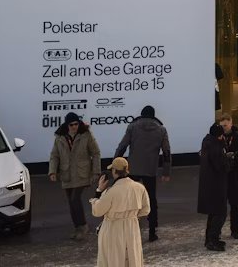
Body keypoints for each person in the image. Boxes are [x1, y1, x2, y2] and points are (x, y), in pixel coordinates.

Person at [113, 105, 171, 241]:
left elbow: (122, 146)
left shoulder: (133, 127)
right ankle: (152, 231)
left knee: (129, 198)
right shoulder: (161, 130)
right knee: (151, 199)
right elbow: (167, 152)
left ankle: (128, 227)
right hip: (150, 169)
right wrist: (166, 172)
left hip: (133, 168)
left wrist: (116, 164)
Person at [49, 112, 102, 240]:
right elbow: (55, 155)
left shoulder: (86, 135)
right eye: (72, 125)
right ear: (67, 125)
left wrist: (96, 172)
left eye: (76, 124)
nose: (74, 127)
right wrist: (52, 171)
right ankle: (77, 227)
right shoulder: (60, 137)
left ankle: (83, 226)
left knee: (75, 199)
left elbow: (95, 153)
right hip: (67, 173)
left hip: (81, 173)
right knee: (71, 202)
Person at [91, 157, 150, 267]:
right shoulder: (139, 188)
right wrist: (132, 215)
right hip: (132, 227)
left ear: (114, 171)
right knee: (132, 257)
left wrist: (98, 191)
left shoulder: (111, 192)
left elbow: (97, 211)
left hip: (113, 228)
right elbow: (145, 210)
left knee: (114, 258)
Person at [198, 122, 229, 251]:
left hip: (208, 184)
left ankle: (210, 239)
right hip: (216, 184)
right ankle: (213, 239)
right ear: (220, 135)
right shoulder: (215, 146)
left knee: (213, 212)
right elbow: (220, 166)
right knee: (219, 212)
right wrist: (228, 161)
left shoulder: (207, 144)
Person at [219, 114, 238, 239]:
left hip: (235, 174)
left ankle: (235, 230)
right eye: (222, 126)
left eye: (225, 126)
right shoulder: (218, 137)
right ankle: (217, 230)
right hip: (222, 174)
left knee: (235, 204)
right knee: (220, 205)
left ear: (231, 124)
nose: (224, 128)